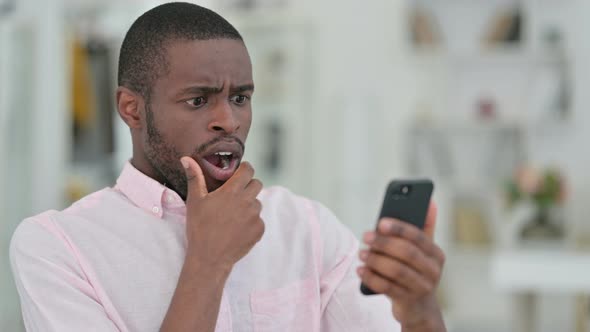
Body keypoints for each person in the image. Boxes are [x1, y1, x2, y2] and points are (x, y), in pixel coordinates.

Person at [10, 2, 447, 331]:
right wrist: (208, 261)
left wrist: (420, 310)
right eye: (198, 100)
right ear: (132, 108)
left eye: (240, 97)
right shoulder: (56, 247)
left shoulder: (306, 226)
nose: (230, 120)